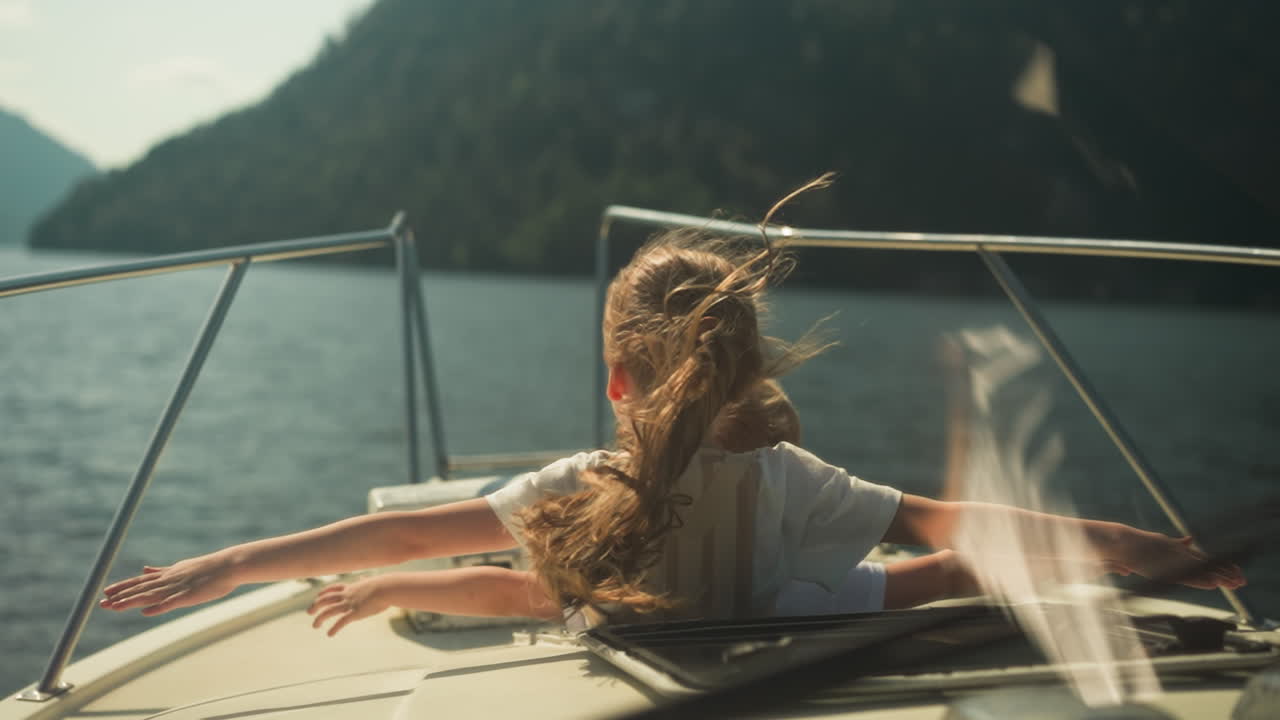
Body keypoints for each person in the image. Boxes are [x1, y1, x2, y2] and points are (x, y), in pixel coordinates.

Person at [101, 179, 1244, 636]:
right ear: (743, 370)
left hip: (642, 617)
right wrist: (1156, 551)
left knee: (546, 586)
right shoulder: (791, 481)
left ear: (615, 381)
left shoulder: (582, 490)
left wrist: (240, 558)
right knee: (945, 567)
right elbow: (960, 525)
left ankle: (396, 601)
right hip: (789, 620)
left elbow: (413, 529)